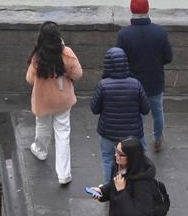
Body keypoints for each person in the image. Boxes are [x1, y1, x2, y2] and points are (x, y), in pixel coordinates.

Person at [24, 21, 83, 185]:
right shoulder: (67, 54)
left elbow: (29, 79)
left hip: (43, 100)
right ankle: (64, 174)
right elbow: (78, 74)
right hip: (63, 99)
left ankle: (41, 150)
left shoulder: (37, 58)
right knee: (63, 133)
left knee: (42, 126)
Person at [116, 0, 173, 151]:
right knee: (157, 112)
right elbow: (168, 57)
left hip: (133, 83)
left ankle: (140, 145)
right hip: (155, 80)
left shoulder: (124, 35)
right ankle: (158, 137)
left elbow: (120, 60)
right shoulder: (160, 33)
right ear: (148, 9)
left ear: (131, 10)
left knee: (137, 116)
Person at [88, 46, 148, 187]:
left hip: (109, 133)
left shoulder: (103, 85)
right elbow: (145, 109)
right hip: (132, 135)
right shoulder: (136, 84)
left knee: (108, 159)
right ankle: (133, 185)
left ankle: (111, 188)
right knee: (134, 160)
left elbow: (94, 109)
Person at [85, 138, 170, 214]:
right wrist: (102, 191)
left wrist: (121, 192)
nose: (116, 155)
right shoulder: (119, 166)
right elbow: (114, 185)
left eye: (120, 154)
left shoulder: (143, 184)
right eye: (116, 151)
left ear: (131, 157)